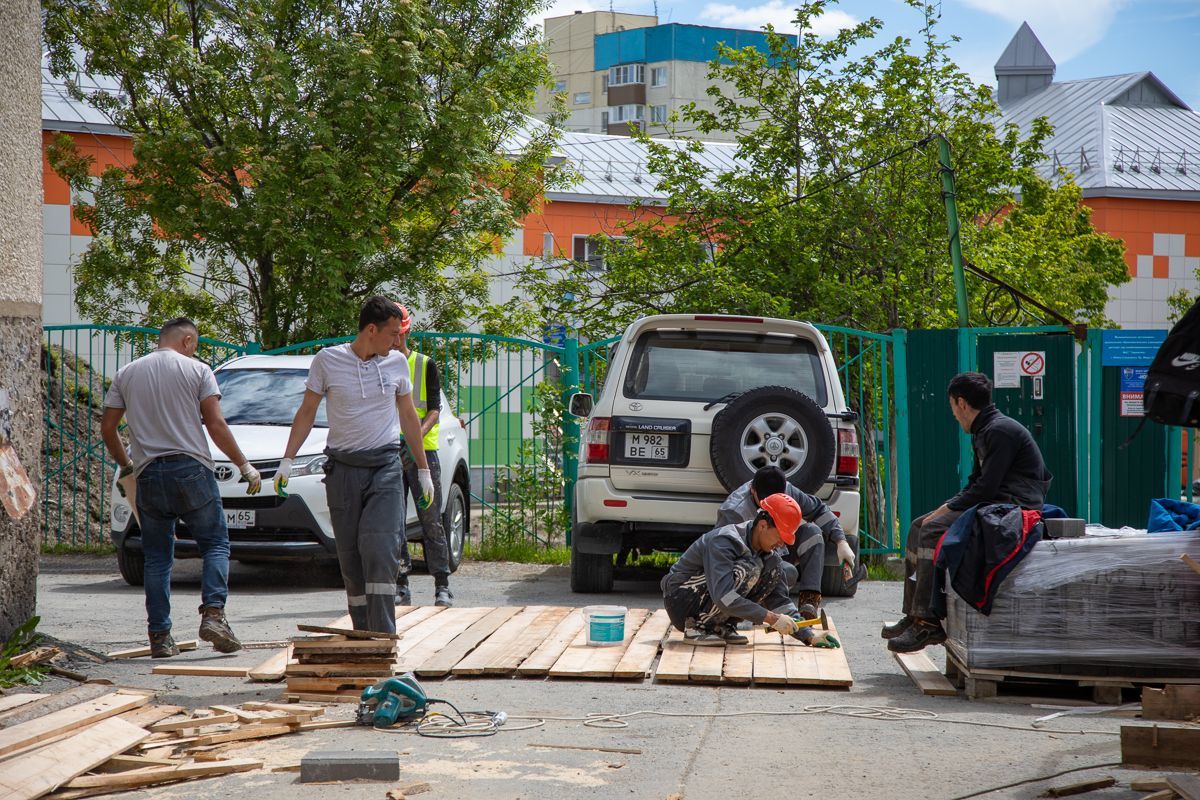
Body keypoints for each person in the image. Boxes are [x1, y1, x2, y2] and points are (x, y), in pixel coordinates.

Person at [100, 317, 262, 658]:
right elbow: (215, 424)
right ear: (187, 341)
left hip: (148, 475)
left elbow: (108, 428)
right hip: (191, 470)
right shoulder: (199, 370)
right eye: (196, 343)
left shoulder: (127, 372)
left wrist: (126, 466)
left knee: (157, 558)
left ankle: (160, 637)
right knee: (215, 544)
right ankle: (214, 615)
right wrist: (244, 466)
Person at [276, 297, 434, 634]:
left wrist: (423, 470)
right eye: (393, 334)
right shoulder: (328, 361)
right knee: (350, 557)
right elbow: (306, 412)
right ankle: (363, 633)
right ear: (371, 330)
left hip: (385, 467)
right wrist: (287, 460)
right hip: (343, 470)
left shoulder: (396, 364)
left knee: (380, 548)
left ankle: (383, 637)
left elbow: (408, 416)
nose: (398, 342)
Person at [885, 371, 1052, 653]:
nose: (953, 413)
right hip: (996, 500)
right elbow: (977, 482)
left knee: (932, 529)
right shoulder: (985, 431)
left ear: (961, 403)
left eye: (952, 406)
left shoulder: (999, 431)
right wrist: (945, 507)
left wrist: (947, 510)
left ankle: (928, 622)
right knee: (918, 525)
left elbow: (986, 488)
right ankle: (914, 612)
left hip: (1014, 506)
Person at [662, 493, 840, 648]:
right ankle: (696, 627)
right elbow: (724, 596)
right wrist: (771, 618)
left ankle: (721, 626)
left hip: (707, 597)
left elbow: (780, 601)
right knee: (747, 570)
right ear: (763, 525)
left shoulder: (770, 556)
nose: (782, 544)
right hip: (680, 601)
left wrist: (809, 635)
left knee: (771, 571)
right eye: (780, 536)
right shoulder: (724, 541)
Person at [716, 465, 855, 616]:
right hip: (752, 561)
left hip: (777, 550)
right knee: (787, 572)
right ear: (752, 490)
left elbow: (819, 510)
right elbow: (721, 559)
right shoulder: (734, 512)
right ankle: (767, 605)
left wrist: (841, 541)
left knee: (813, 534)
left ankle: (808, 604)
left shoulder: (787, 491)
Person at [390, 303, 453, 608]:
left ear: (407, 332)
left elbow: (434, 411)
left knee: (431, 520)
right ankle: (401, 584)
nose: (394, 340)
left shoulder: (424, 364)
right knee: (394, 521)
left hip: (423, 452)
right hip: (389, 451)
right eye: (392, 335)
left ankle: (442, 584)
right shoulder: (379, 363)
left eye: (399, 335)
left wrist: (413, 435)